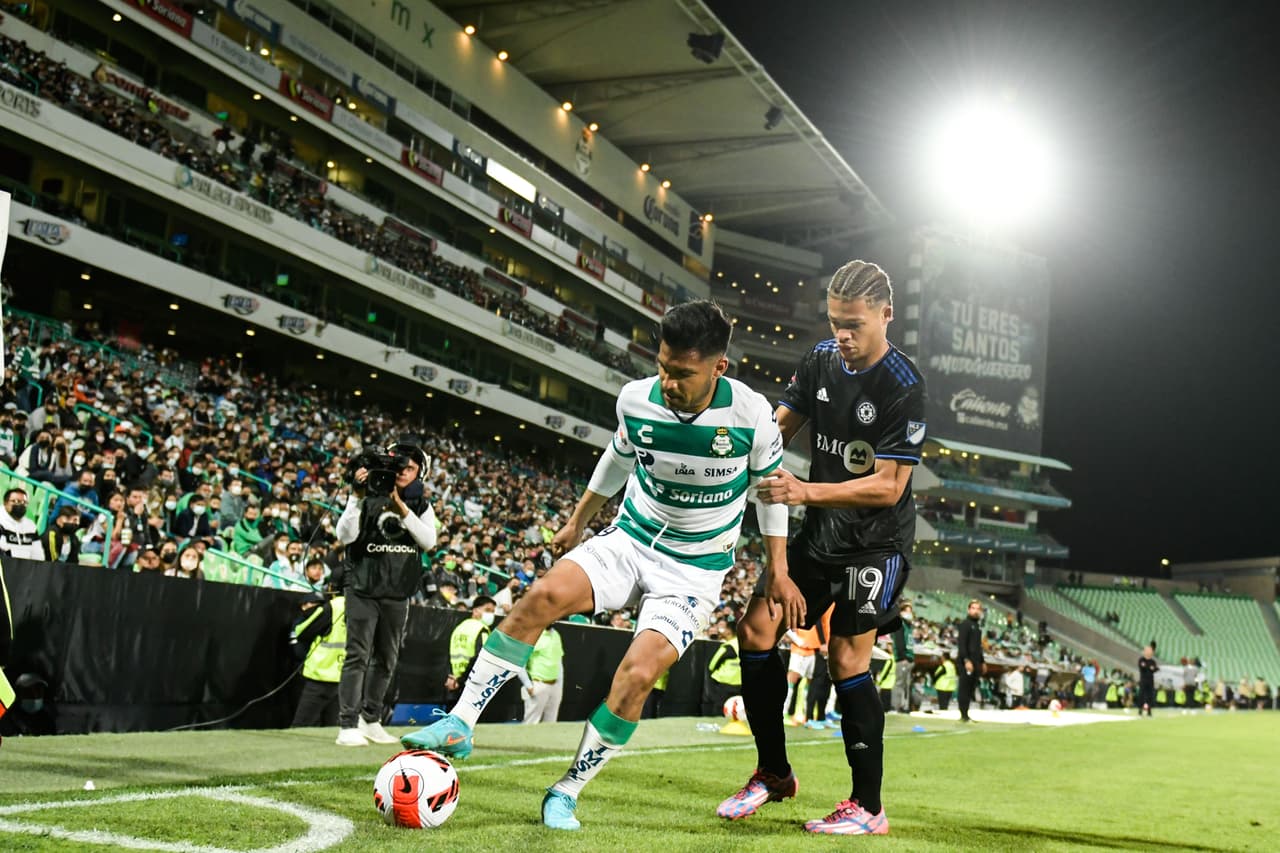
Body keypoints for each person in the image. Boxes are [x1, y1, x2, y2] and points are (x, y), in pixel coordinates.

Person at [399, 300, 788, 831]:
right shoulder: (636, 399)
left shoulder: (752, 415)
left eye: (682, 373)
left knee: (637, 674)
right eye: (662, 367)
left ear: (719, 367)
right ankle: (461, 722)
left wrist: (778, 569)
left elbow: (771, 494)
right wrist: (578, 521)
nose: (668, 382)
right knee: (541, 597)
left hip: (694, 571)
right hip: (629, 540)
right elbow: (619, 456)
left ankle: (567, 790)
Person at [717, 260, 926, 836]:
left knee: (845, 659)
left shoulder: (903, 386)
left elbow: (889, 486)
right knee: (755, 630)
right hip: (822, 535)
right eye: (836, 322)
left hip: (876, 544)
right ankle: (774, 773)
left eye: (854, 324)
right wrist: (734, 461)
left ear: (887, 315)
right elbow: (779, 428)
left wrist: (806, 489)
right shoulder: (819, 360)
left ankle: (868, 808)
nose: (843, 335)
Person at [334, 436, 438, 747]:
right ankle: (347, 725)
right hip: (363, 587)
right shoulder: (366, 495)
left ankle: (371, 719)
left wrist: (402, 508)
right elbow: (345, 535)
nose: (404, 469)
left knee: (386, 659)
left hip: (397, 592)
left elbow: (429, 541)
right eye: (400, 465)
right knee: (357, 655)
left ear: (420, 472)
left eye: (411, 466)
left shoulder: (420, 504)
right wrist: (355, 495)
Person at [290, 592, 347, 727]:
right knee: (332, 729)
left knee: (301, 727)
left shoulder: (332, 607)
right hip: (345, 679)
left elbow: (301, 632)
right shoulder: (365, 607)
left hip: (320, 676)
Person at [448, 596, 496, 702]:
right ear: (475, 610)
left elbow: (450, 653)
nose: (491, 614)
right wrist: (461, 680)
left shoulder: (459, 627)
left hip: (454, 680)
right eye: (487, 610)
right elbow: (480, 657)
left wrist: (452, 677)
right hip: (471, 682)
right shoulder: (482, 629)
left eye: (493, 611)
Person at [521, 623, 565, 723]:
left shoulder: (556, 635)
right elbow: (520, 663)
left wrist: (560, 687)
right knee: (530, 724)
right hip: (537, 684)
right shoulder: (532, 635)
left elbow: (559, 662)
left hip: (555, 686)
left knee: (550, 725)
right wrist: (528, 686)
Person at [956, 599, 984, 722]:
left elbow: (978, 646)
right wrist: (966, 660)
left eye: (978, 609)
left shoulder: (977, 627)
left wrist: (982, 661)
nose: (975, 611)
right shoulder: (965, 624)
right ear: (969, 610)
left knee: (971, 687)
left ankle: (966, 713)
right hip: (966, 662)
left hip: (976, 662)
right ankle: (963, 714)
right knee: (964, 688)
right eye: (973, 608)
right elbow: (962, 644)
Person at [0, 487, 45, 560]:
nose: (20, 505)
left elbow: (38, 555)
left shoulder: (31, 526)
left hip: (26, 568)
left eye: (24, 502)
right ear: (5, 503)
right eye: (16, 501)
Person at [1137, 646, 1158, 717]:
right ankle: (1140, 710)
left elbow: (1155, 669)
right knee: (1141, 695)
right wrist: (1150, 668)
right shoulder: (1141, 660)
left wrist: (1150, 668)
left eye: (1151, 651)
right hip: (1143, 680)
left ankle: (1149, 710)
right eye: (1148, 650)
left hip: (1150, 681)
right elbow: (1143, 668)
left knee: (1150, 696)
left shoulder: (1153, 661)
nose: (1150, 652)